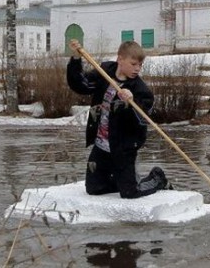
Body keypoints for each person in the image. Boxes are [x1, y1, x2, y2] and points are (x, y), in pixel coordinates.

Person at [67, 39, 170, 199]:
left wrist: (131, 101)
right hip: (101, 144)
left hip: (124, 147)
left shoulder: (140, 89)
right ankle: (120, 179)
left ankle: (157, 179)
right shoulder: (105, 72)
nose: (137, 69)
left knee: (129, 193)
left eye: (140, 65)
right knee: (94, 189)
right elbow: (82, 85)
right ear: (120, 59)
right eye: (133, 64)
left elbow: (144, 118)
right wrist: (75, 59)